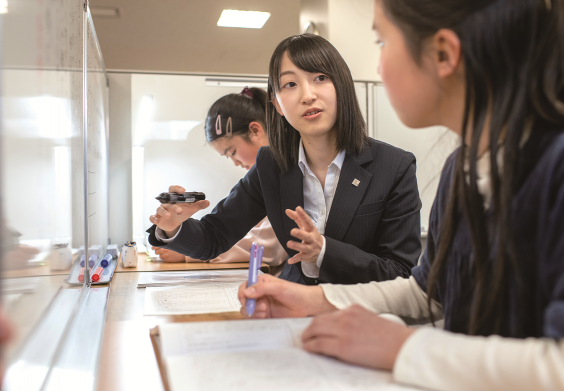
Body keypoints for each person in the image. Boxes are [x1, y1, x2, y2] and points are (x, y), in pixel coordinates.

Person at [236, 0, 564, 391]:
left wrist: (404, 347)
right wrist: (317, 301)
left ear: (442, 54)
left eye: (382, 42)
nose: (377, 66)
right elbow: (429, 293)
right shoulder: (464, 167)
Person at [147, 34, 422, 285]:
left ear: (342, 85)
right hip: (292, 309)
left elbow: (400, 272)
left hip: (361, 319)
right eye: (290, 84)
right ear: (277, 104)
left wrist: (324, 251)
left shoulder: (395, 166)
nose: (307, 95)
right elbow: (214, 237)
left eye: (321, 78)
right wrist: (173, 228)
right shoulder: (271, 164)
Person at [152, 87, 288, 276]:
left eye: (232, 152)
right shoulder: (258, 180)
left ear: (255, 130)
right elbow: (218, 233)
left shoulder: (288, 170)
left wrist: (187, 255)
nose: (235, 163)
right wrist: (175, 229)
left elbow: (269, 247)